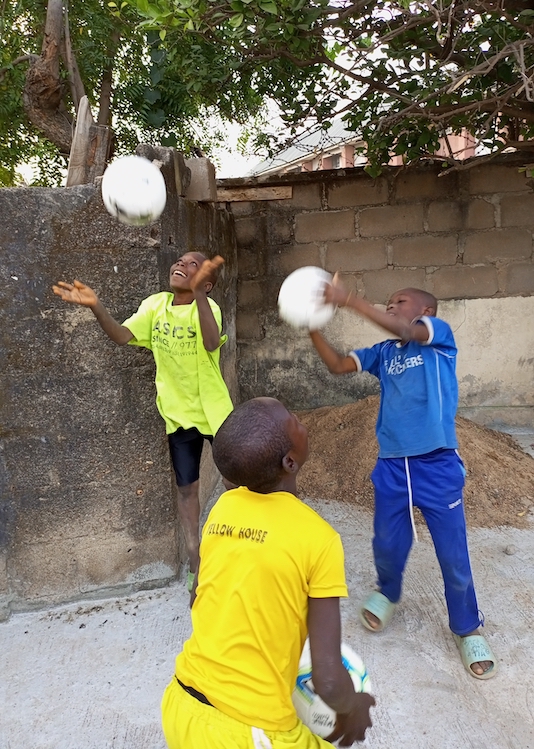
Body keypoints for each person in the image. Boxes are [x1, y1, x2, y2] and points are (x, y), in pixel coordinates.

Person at [309, 282, 497, 681]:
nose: (391, 305)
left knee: (453, 555)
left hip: (437, 465)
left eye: (400, 301)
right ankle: (388, 591)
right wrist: (312, 328)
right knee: (387, 543)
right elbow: (338, 366)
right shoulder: (384, 353)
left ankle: (467, 627)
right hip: (392, 465)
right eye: (389, 301)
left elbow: (407, 330)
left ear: (426, 312)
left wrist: (350, 300)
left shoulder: (438, 338)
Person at [162, 397, 375, 749]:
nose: (299, 418)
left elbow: (197, 596)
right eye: (293, 419)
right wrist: (354, 707)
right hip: (250, 734)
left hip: (180, 705)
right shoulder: (319, 539)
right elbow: (328, 681)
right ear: (289, 461)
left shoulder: (223, 508)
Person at [52, 252, 233, 592]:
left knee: (234, 481)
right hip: (178, 415)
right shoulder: (156, 306)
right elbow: (122, 336)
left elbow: (211, 342)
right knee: (187, 489)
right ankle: (196, 562)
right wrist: (96, 306)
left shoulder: (209, 308)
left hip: (215, 411)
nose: (181, 265)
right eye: (179, 261)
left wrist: (199, 295)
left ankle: (239, 547)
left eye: (193, 265)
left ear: (207, 285)